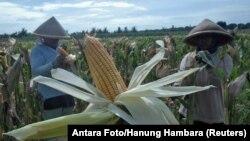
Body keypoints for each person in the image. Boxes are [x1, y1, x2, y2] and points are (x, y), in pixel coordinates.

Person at [178, 19, 234, 124]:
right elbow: (181, 82)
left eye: (206, 36)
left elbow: (220, 82)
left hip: (213, 116)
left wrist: (209, 65)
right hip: (189, 113)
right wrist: (173, 90)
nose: (202, 39)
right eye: (200, 37)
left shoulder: (224, 59)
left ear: (214, 38)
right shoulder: (188, 58)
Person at [30, 16, 75, 120]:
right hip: (51, 98)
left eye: (57, 36)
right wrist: (53, 64)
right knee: (50, 133)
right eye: (51, 36)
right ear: (43, 37)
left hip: (68, 97)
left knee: (65, 132)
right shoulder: (37, 50)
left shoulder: (61, 50)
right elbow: (36, 72)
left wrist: (68, 66)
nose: (55, 39)